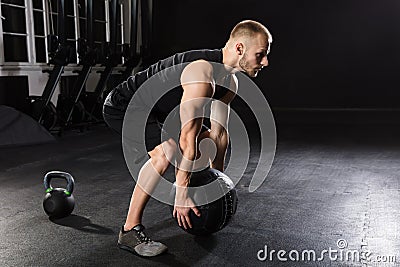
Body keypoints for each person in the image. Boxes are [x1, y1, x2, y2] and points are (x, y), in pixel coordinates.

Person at [103, 19, 272, 257]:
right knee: (168, 151)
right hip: (124, 105)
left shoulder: (230, 82)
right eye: (261, 54)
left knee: (204, 142)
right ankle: (129, 230)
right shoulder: (202, 73)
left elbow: (219, 135)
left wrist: (218, 182)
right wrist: (181, 194)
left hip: (159, 111)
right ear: (240, 48)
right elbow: (187, 136)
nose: (265, 62)